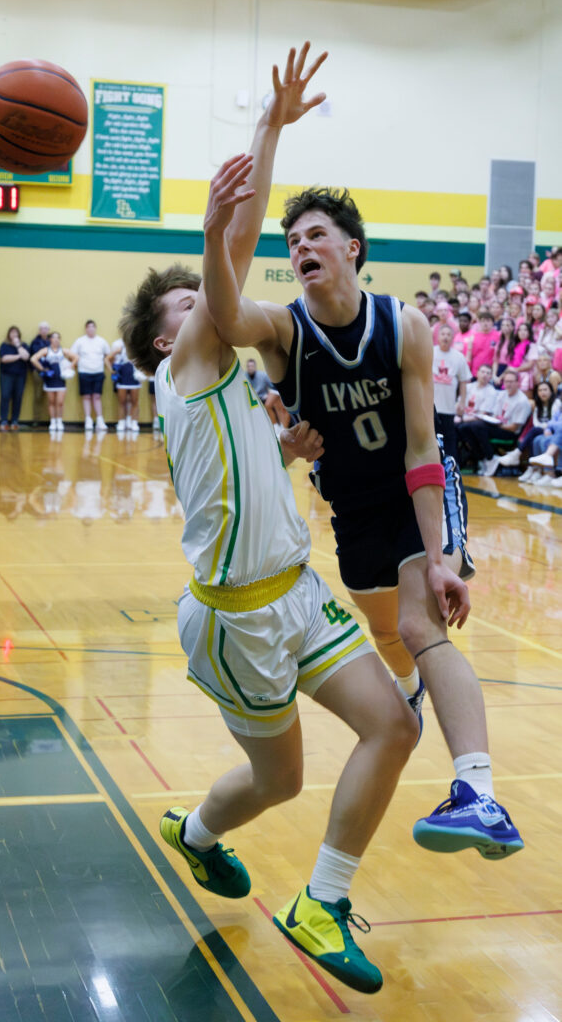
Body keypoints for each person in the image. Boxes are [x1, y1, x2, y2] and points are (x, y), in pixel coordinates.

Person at [120, 45, 419, 996]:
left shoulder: (234, 385)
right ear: (171, 339)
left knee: (393, 730)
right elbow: (232, 266)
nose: (213, 310)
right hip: (235, 618)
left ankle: (320, 901)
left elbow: (249, 453)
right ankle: (196, 830)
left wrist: (286, 455)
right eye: (193, 305)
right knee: (279, 782)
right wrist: (266, 130)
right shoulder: (188, 365)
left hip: (296, 593)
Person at [204, 164, 524, 862]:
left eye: (316, 234)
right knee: (388, 636)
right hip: (350, 508)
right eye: (291, 241)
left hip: (412, 491)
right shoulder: (285, 331)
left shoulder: (402, 324)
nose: (300, 247)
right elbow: (226, 318)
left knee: (421, 622)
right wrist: (215, 233)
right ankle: (415, 701)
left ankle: (479, 792)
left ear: (353, 248)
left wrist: (441, 559)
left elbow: (419, 446)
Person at [457, 369, 531, 475]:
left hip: (509, 432)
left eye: (511, 382)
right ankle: (482, 458)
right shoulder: (502, 395)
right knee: (464, 427)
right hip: (497, 425)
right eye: (506, 382)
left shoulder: (522, 401)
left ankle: (490, 458)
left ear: (517, 383)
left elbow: (514, 428)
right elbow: (494, 415)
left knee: (478, 426)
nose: (508, 384)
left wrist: (498, 424)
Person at [498, 380, 562, 469]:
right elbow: (536, 422)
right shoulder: (538, 406)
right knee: (533, 439)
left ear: (551, 391)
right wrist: (545, 427)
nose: (543, 392)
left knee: (534, 432)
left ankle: (517, 453)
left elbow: (553, 421)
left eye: (545, 390)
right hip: (543, 430)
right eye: (540, 390)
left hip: (553, 431)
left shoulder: (556, 403)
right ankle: (533, 469)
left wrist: (547, 428)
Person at [432, 325, 470, 460]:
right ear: (438, 336)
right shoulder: (430, 352)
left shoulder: (458, 357)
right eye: (443, 334)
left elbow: (464, 380)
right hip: (431, 405)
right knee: (431, 437)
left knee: (449, 439)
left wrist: (462, 402)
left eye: (449, 334)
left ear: (453, 338)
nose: (445, 337)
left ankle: (452, 468)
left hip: (448, 407)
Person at [30, 330, 78, 432]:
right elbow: (33, 359)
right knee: (51, 402)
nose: (56, 339)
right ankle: (53, 421)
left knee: (60, 402)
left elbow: (76, 357)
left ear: (60, 340)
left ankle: (59, 421)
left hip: (60, 379)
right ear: (50, 339)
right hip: (50, 379)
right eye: (53, 337)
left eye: (57, 337)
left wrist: (69, 367)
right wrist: (42, 369)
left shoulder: (63, 350)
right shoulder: (46, 350)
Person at [70, 320, 111, 432]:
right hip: (84, 372)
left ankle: (99, 420)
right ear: (86, 329)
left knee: (97, 396)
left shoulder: (102, 341)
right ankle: (88, 420)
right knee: (86, 396)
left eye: (93, 327)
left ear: (95, 328)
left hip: (98, 372)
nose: (91, 329)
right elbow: (72, 355)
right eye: (88, 327)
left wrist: (111, 369)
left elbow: (108, 355)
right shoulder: (80, 341)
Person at [245, 356, 291, 431]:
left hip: (277, 389)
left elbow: (271, 385)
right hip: (262, 395)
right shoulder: (245, 376)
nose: (250, 368)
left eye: (252, 366)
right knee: (278, 408)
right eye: (249, 366)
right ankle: (279, 428)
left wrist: (268, 394)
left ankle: (283, 429)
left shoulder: (262, 375)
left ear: (255, 366)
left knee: (282, 409)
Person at [107, 337, 142, 435]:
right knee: (122, 401)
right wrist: (112, 371)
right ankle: (121, 422)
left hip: (134, 376)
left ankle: (134, 422)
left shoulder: (136, 345)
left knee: (134, 401)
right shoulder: (118, 346)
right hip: (122, 376)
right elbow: (108, 359)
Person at [0, 325, 30, 431]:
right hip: (6, 375)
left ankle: (15, 420)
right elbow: (4, 358)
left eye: (16, 332)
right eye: (12, 332)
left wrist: (18, 346)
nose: (14, 334)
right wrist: (18, 356)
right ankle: (4, 420)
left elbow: (26, 357)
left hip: (20, 375)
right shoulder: (4, 345)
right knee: (5, 396)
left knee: (18, 397)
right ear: (8, 334)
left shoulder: (24, 345)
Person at [29, 321, 51, 426]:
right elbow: (32, 357)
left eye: (46, 328)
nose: (44, 330)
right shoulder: (35, 342)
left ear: (48, 330)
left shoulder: (52, 341)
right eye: (42, 328)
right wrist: (37, 369)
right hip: (38, 372)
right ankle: (36, 419)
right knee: (38, 396)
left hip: (51, 372)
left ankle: (52, 420)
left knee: (51, 396)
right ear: (39, 330)